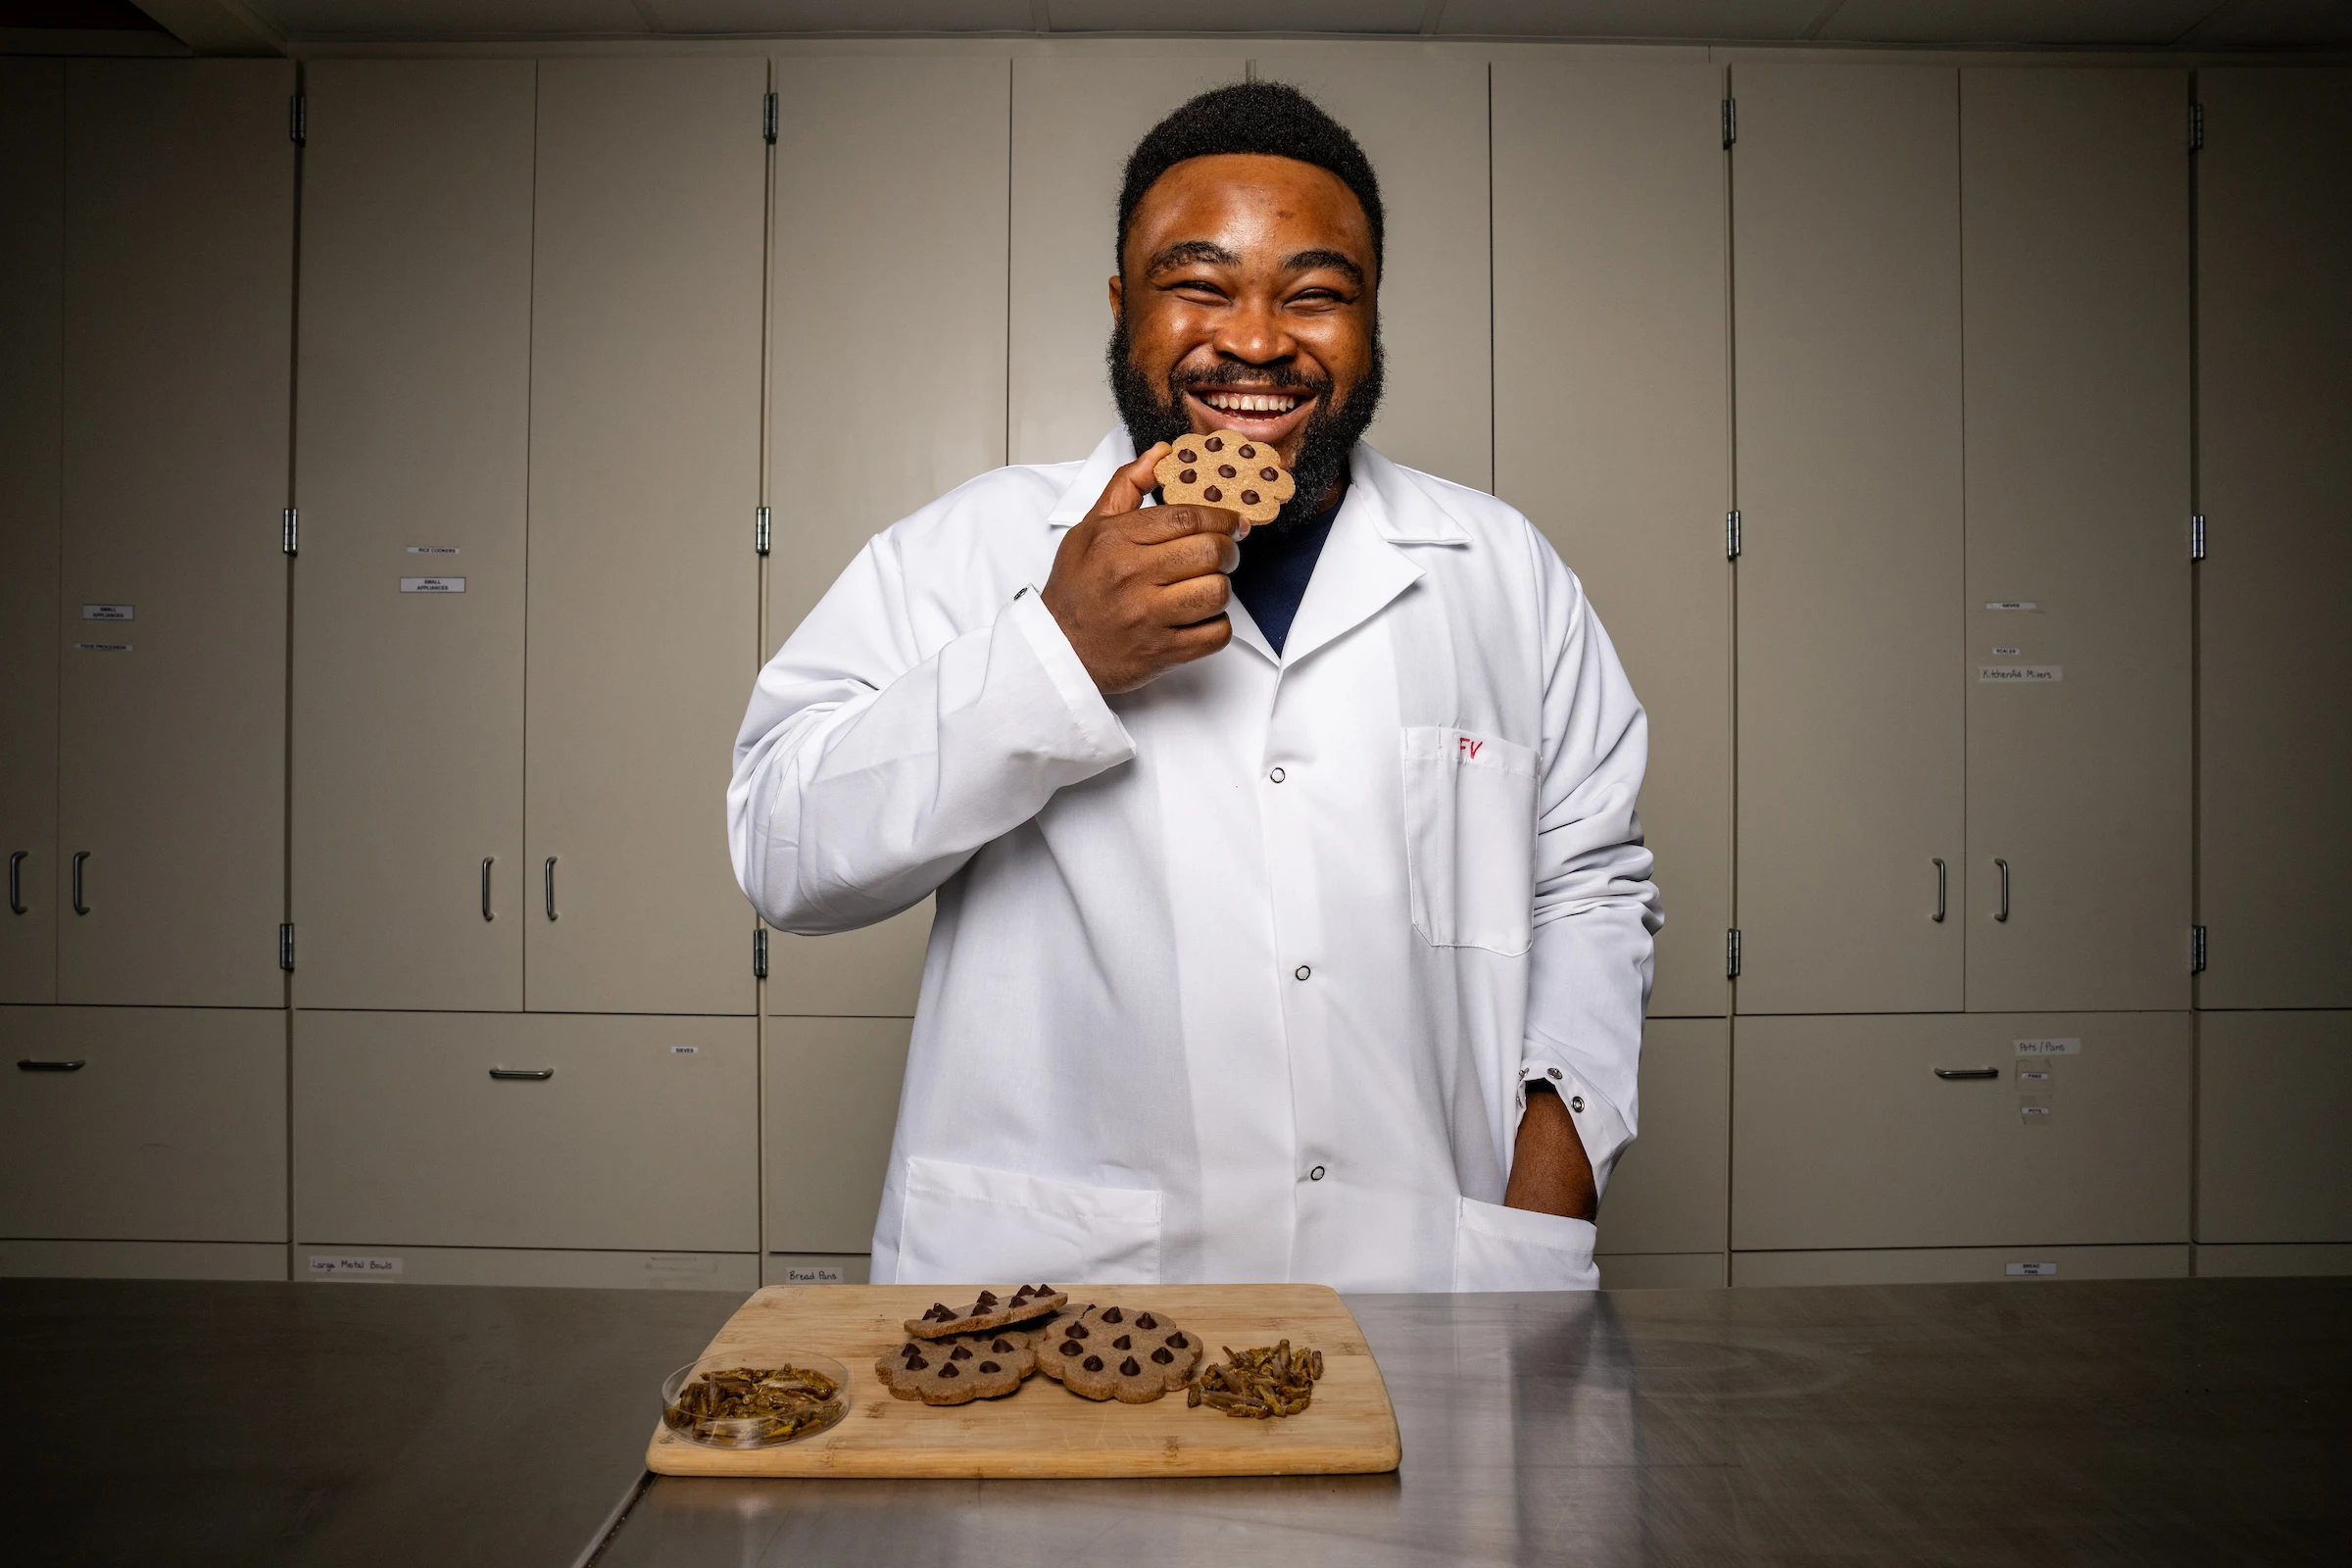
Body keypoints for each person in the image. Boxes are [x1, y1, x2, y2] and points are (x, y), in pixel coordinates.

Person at [729, 81, 1660, 1292]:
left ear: (1372, 319)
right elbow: (780, 847)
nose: (1260, 339)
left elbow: (1589, 884)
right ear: (1123, 308)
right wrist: (1052, 654)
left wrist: (1553, 1183)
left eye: (1316, 292)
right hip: (1066, 1299)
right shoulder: (968, 552)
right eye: (1200, 284)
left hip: (1424, 1283)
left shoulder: (1502, 571)